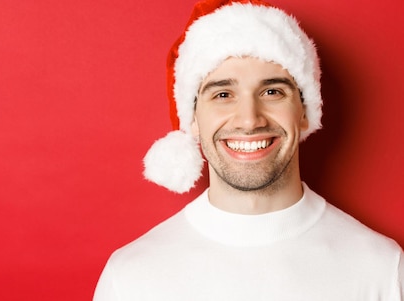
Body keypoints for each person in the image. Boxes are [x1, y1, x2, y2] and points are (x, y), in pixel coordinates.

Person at [93, 0, 404, 300]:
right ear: (193, 120)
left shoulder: (381, 268)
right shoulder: (131, 278)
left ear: (306, 111)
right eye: (223, 94)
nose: (249, 119)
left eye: (272, 92)